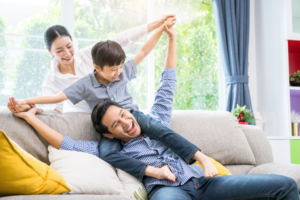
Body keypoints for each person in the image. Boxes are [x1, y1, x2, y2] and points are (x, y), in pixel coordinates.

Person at [91, 28, 299, 200]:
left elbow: (168, 83)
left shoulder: (156, 119)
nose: (125, 122)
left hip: (205, 182)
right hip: (167, 190)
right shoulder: (113, 149)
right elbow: (68, 144)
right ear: (109, 134)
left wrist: (172, 39)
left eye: (123, 114)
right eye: (116, 124)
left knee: (286, 184)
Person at [12, 25, 218, 182]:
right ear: (97, 68)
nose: (118, 73)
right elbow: (56, 101)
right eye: (113, 69)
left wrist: (166, 32)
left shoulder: (124, 77)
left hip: (136, 115)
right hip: (117, 136)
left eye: (69, 46)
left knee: (157, 127)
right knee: (106, 152)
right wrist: (27, 107)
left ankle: (201, 157)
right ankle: (155, 171)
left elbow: (146, 55)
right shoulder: (84, 84)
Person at [7, 14, 176, 114]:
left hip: (120, 112)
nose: (67, 54)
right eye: (59, 51)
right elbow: (55, 110)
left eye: (69, 46)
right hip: (94, 120)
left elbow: (122, 39)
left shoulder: (89, 54)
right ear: (49, 52)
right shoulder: (51, 80)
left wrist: (158, 23)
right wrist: (33, 108)